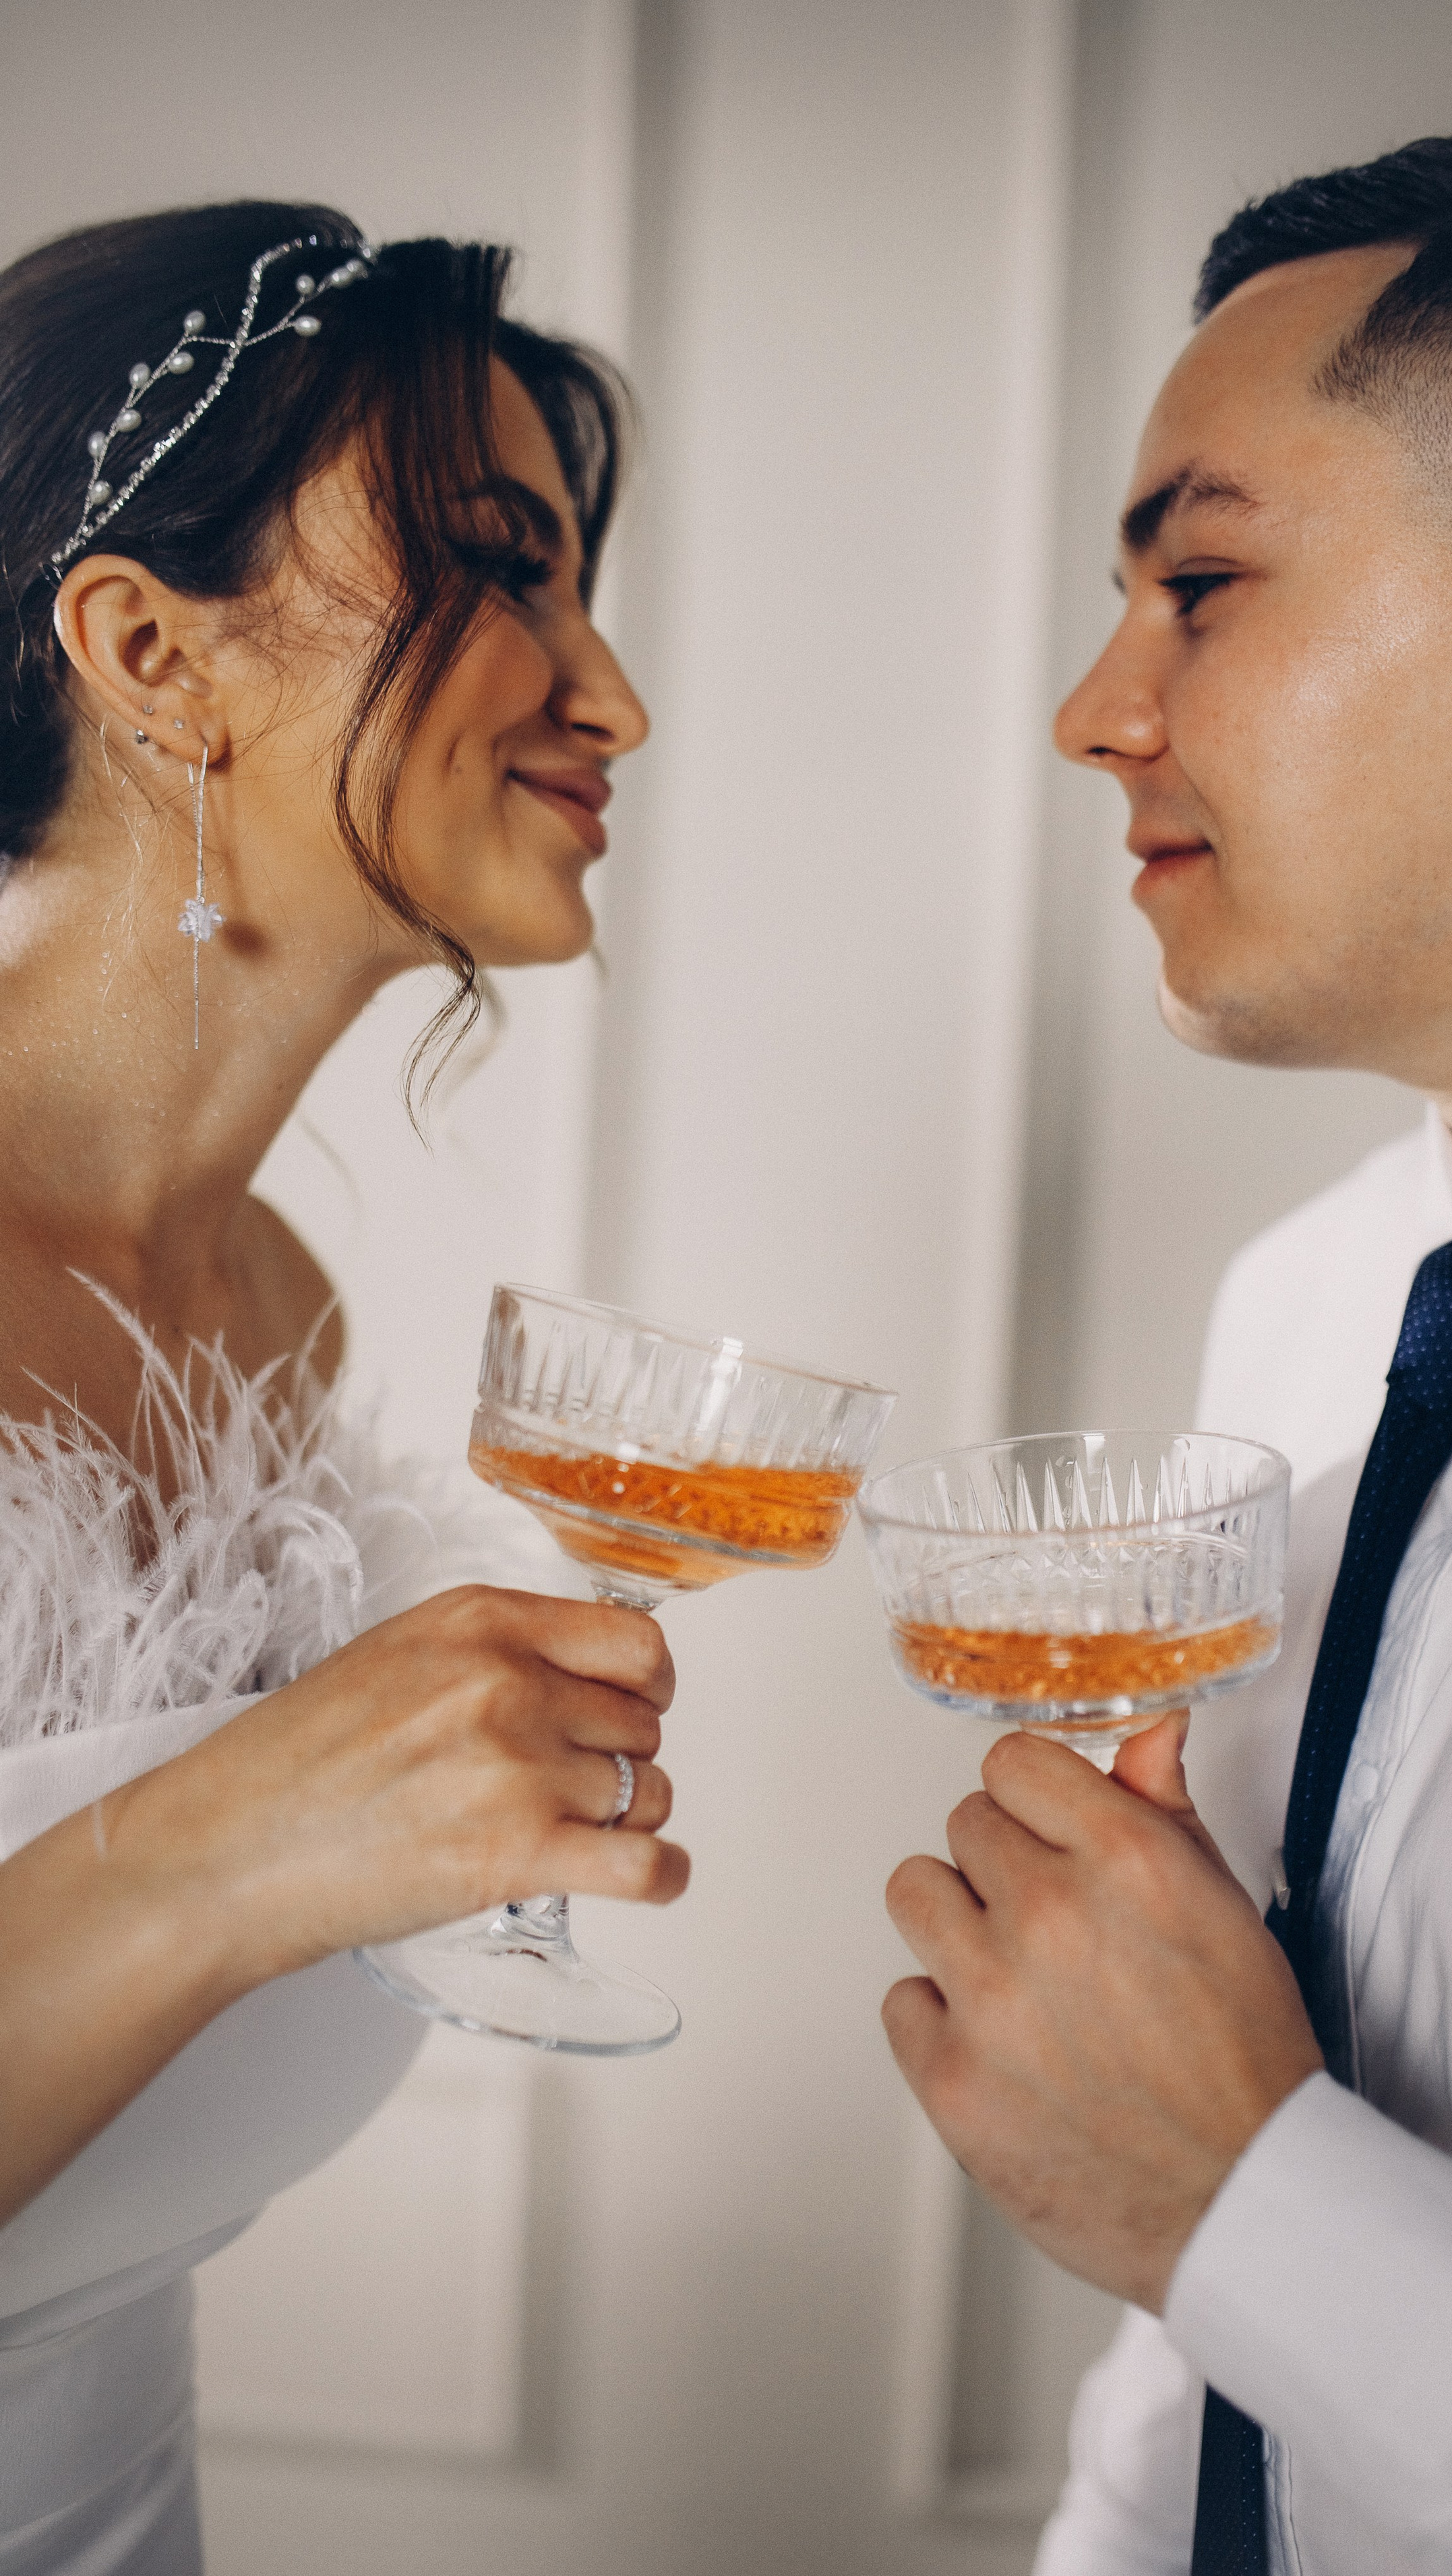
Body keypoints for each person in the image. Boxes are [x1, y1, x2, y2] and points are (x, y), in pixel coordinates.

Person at [881, 117, 1452, 2574]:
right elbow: (1189, 2349)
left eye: (1202, 586)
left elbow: (1213, 2200)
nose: (1091, 714)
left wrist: (1245, 2193)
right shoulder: (1312, 1309)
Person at [0, 201, 688, 2575]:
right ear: (148, 650)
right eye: (501, 568)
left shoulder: (268, 1307)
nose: (610, 697)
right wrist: (248, 1831)